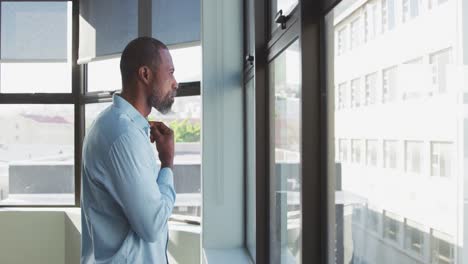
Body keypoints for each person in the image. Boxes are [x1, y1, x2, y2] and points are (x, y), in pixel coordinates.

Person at [81, 37, 178, 264]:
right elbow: (152, 226)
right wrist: (167, 164)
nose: (175, 82)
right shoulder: (123, 136)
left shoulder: (115, 125)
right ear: (145, 74)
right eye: (170, 72)